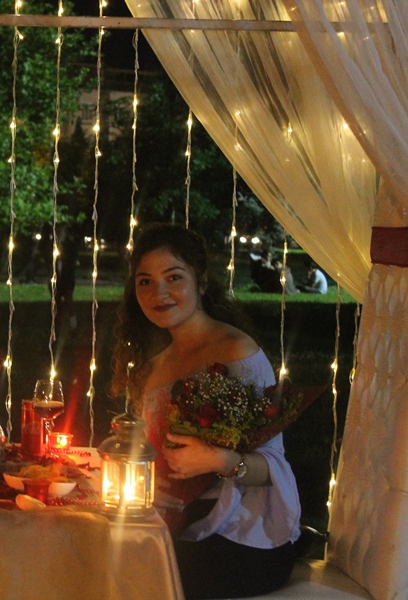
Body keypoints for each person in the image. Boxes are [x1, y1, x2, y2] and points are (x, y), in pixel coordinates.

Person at [111, 223, 300, 599]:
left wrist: (218, 459)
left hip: (244, 534)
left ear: (201, 282)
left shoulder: (236, 352)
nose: (159, 293)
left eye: (173, 277)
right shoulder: (153, 368)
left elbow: (271, 468)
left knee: (137, 574)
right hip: (173, 522)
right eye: (145, 281)